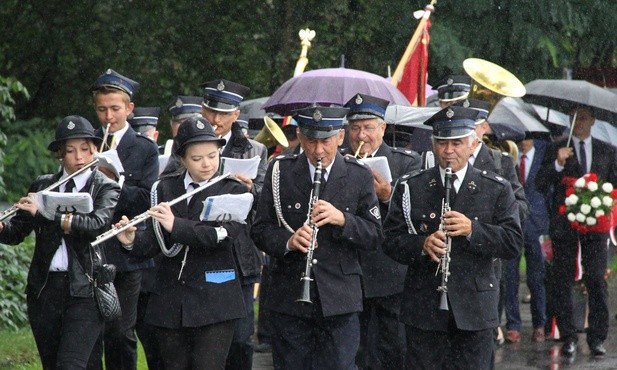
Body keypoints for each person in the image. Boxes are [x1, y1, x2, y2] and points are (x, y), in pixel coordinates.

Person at [383, 106, 522, 369]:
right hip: (424, 309)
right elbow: (390, 240)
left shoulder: (496, 188)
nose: (449, 151)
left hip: (475, 310)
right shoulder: (411, 185)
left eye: (457, 143)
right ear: (433, 145)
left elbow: (513, 243)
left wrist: (473, 230)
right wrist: (422, 245)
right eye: (442, 143)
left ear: (473, 146)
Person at [251, 105, 384, 369]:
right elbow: (260, 229)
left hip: (340, 299)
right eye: (311, 141)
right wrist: (289, 242)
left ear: (340, 138)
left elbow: (374, 235)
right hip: (289, 297)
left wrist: (343, 219)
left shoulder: (358, 175)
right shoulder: (280, 171)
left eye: (325, 141)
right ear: (299, 137)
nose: (318, 151)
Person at [115, 116, 248, 369]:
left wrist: (176, 225)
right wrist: (131, 240)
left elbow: (220, 236)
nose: (206, 164)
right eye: (197, 159)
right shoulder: (165, 188)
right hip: (170, 300)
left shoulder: (233, 190)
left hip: (216, 299)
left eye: (212, 155)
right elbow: (157, 243)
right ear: (183, 159)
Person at [0, 115, 120, 369]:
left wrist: (46, 214)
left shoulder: (105, 187)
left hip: (85, 289)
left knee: (71, 365)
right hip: (45, 290)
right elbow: (16, 233)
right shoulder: (44, 186)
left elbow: (95, 226)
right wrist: (2, 227)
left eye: (85, 150)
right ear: (60, 155)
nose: (79, 157)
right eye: (70, 151)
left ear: (95, 150)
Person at [340, 93, 421, 369]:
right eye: (355, 128)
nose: (362, 135)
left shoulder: (406, 162)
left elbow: (416, 213)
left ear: (383, 129)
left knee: (393, 349)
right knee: (353, 351)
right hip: (349, 271)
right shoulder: (338, 162)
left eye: (369, 127)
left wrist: (388, 195)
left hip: (390, 273)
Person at [89, 68, 159, 370]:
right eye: (102, 109)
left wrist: (114, 183)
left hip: (124, 251)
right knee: (90, 331)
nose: (108, 116)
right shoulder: (86, 144)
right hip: (89, 247)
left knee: (120, 332)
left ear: (129, 109)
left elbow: (146, 198)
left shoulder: (144, 148)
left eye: (115, 109)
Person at [535, 105, 617, 357]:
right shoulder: (558, 147)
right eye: (573, 118)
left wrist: (602, 201)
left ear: (592, 121)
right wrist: (558, 164)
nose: (578, 123)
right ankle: (568, 335)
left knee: (595, 278)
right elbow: (540, 183)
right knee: (563, 280)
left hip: (596, 225)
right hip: (565, 225)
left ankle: (597, 337)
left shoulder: (607, 150)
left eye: (583, 118)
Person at [200, 78, 266, 370]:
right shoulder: (187, 143)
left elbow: (265, 206)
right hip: (200, 251)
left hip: (236, 256)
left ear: (236, 114)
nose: (216, 119)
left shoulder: (254, 150)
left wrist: (251, 190)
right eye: (211, 111)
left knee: (239, 337)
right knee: (205, 338)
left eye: (224, 113)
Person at [457, 98, 529, 345]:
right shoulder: (444, 158)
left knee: (483, 332)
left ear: (484, 128)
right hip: (455, 258)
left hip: (488, 253)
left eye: (472, 125)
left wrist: (494, 214)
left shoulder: (501, 161)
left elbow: (521, 207)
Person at [504, 138, 549, 343]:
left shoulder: (545, 154)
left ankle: (540, 323)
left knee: (536, 278)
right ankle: (513, 324)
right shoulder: (508, 154)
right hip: (513, 223)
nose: (523, 142)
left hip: (536, 224)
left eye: (528, 138)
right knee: (510, 278)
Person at [160, 95, 204, 176]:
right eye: (180, 122)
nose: (184, 127)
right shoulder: (159, 154)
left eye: (190, 122)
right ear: (171, 124)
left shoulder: (212, 153)